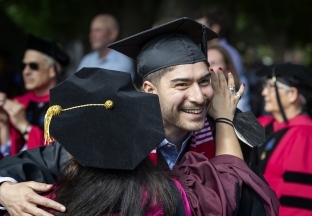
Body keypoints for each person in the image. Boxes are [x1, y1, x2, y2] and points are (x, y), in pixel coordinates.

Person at [0, 18, 275, 215]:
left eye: (204, 81)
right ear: (149, 90)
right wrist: (5, 192)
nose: (199, 96)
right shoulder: (113, 131)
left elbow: (250, 201)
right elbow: (22, 166)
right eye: (181, 84)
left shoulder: (230, 134)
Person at [256, 63, 312, 215]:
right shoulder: (263, 124)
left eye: (271, 87)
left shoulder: (307, 137)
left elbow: (301, 205)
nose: (264, 93)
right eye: (264, 86)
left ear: (292, 94)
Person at [0, 35, 69, 157]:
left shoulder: (67, 105)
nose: (26, 71)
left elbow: (57, 156)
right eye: (23, 66)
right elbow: (7, 156)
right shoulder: (17, 102)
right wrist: (4, 125)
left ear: (52, 70)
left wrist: (24, 126)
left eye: (34, 66)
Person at [195, 7, 251, 112]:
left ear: (215, 28)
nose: (197, 33)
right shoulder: (204, 51)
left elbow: (235, 84)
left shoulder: (229, 53)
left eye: (201, 29)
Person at [77, 14, 136, 82]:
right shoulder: (87, 60)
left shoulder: (123, 62)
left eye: (98, 30)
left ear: (112, 34)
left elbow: (108, 90)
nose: (92, 35)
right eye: (91, 30)